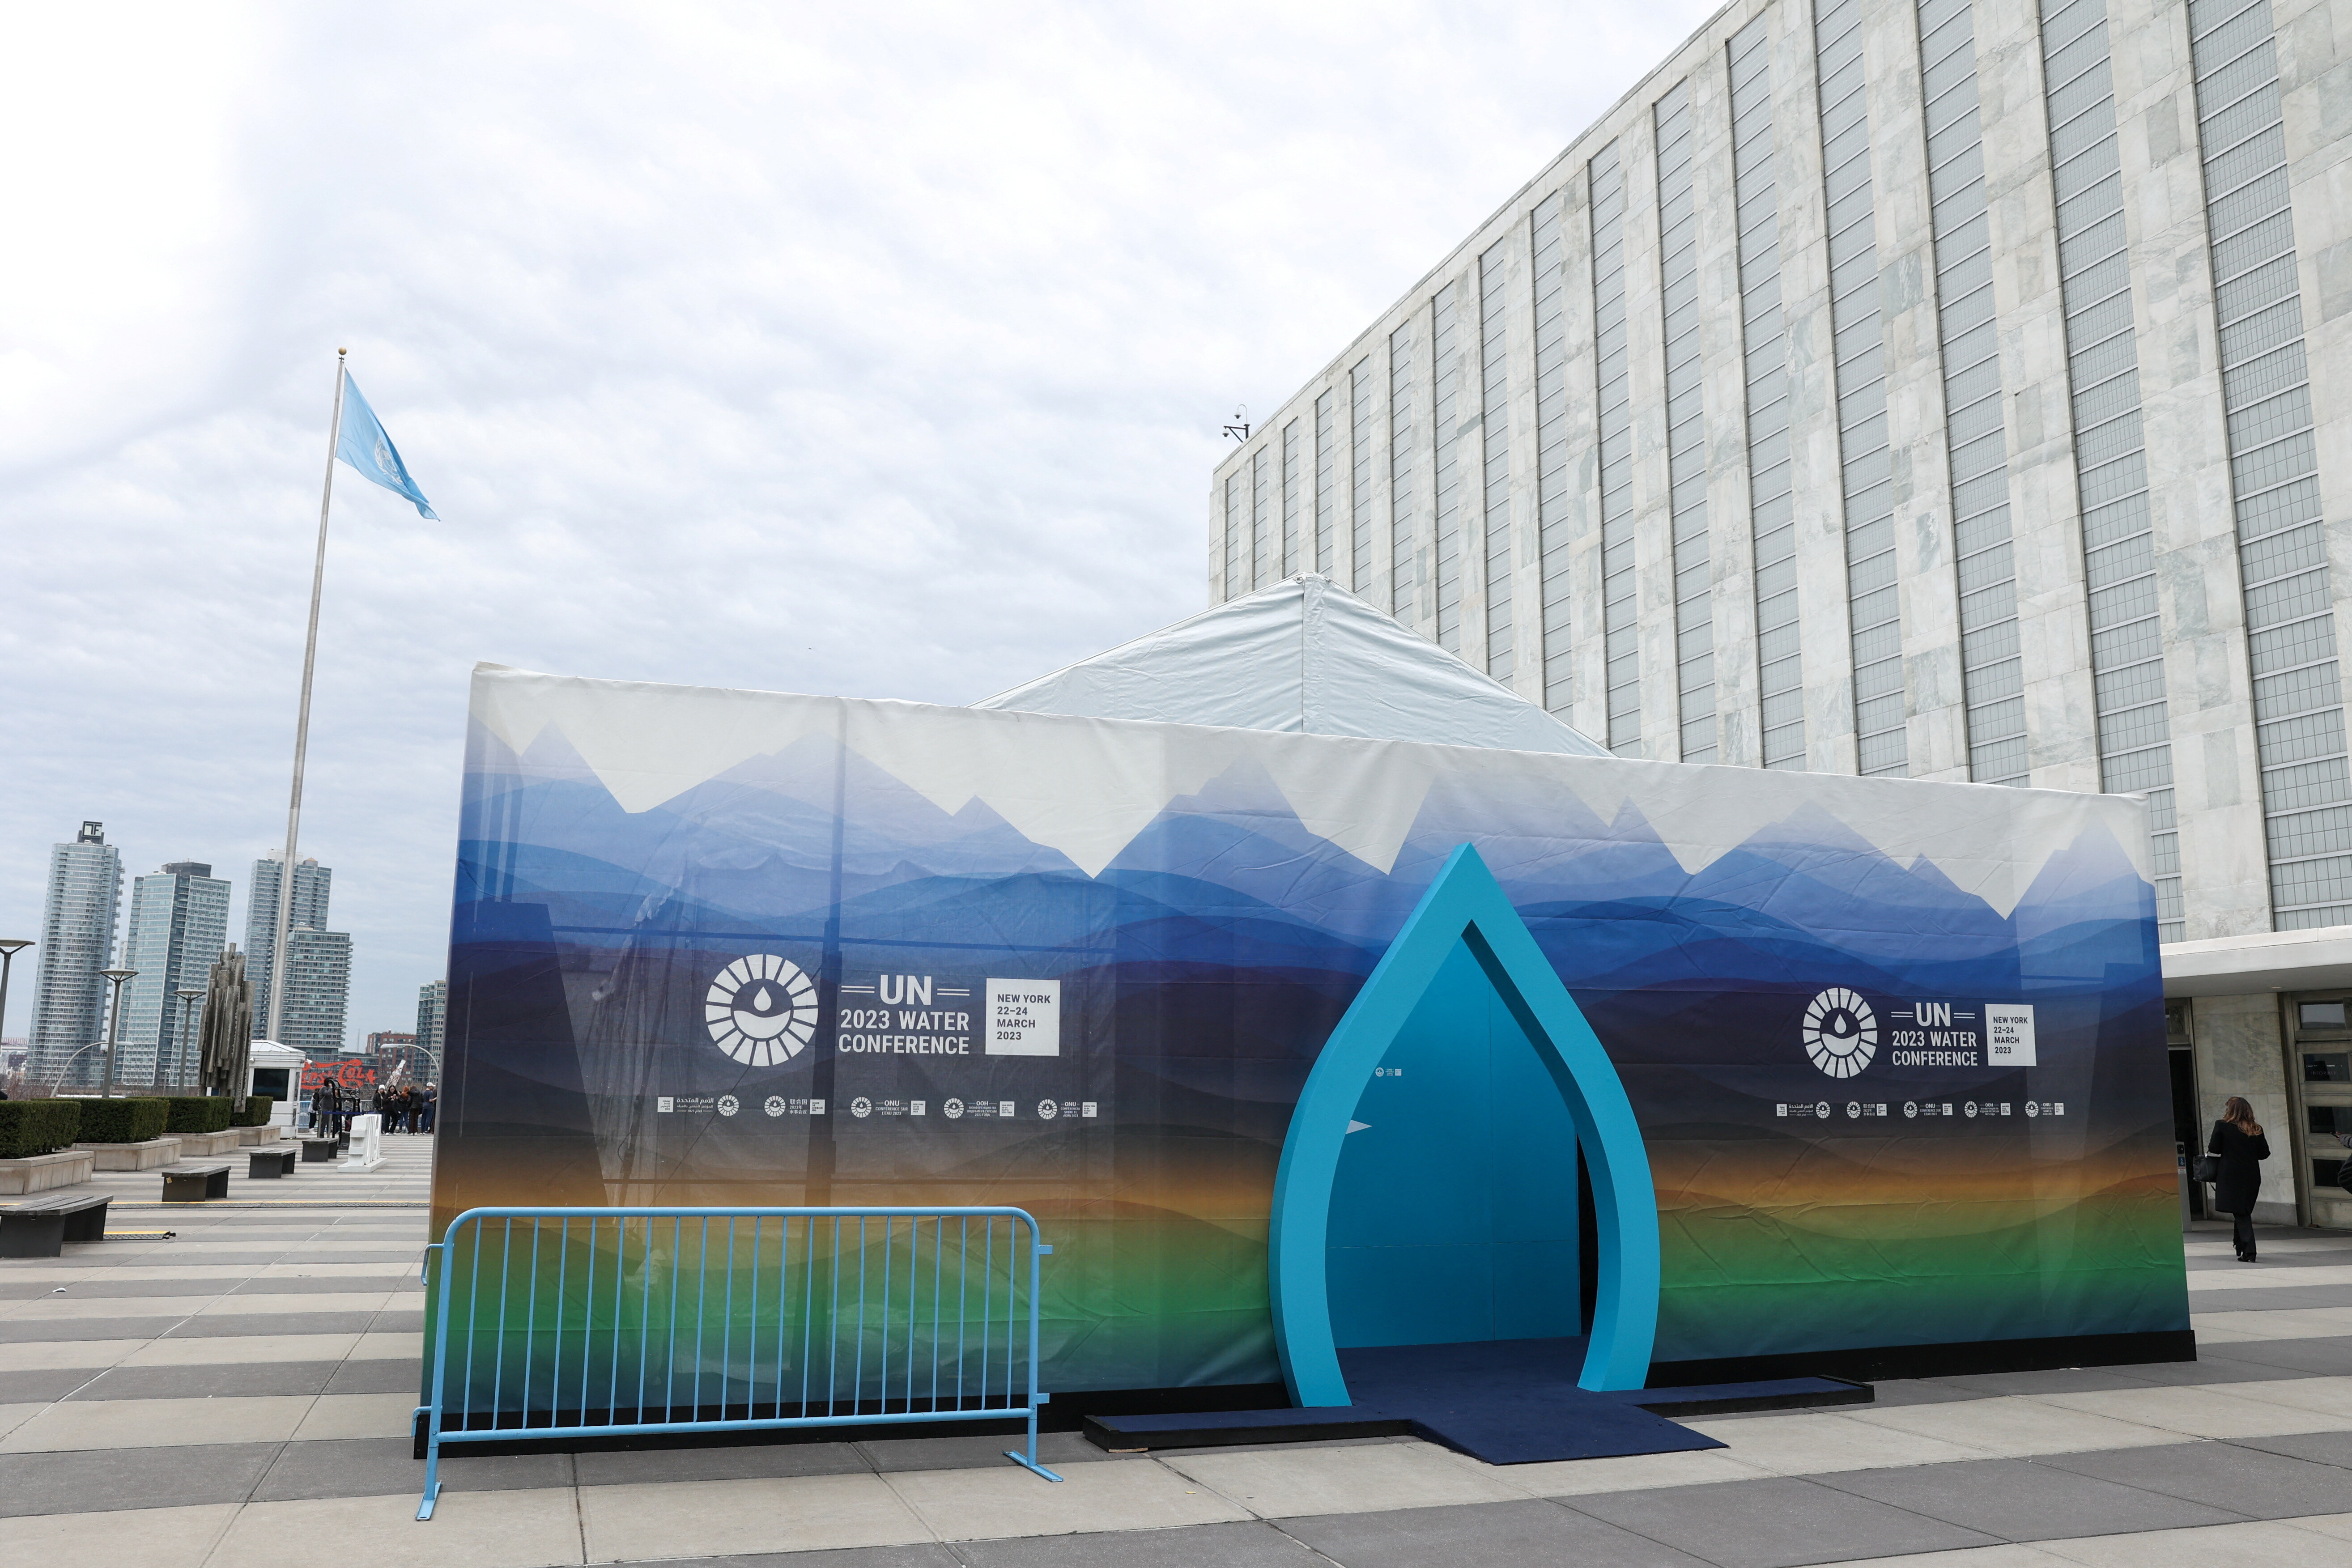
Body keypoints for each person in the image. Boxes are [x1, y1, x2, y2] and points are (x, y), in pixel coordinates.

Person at [2208, 1096, 2271, 1262]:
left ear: (2230, 1110)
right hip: (2251, 1174)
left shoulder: (2222, 1125)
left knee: (2241, 1212)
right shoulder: (2256, 1128)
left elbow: (2214, 1148)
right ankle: (2240, 1244)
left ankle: (2250, 1251)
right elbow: (2264, 1154)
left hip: (2230, 1174)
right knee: (2242, 1210)